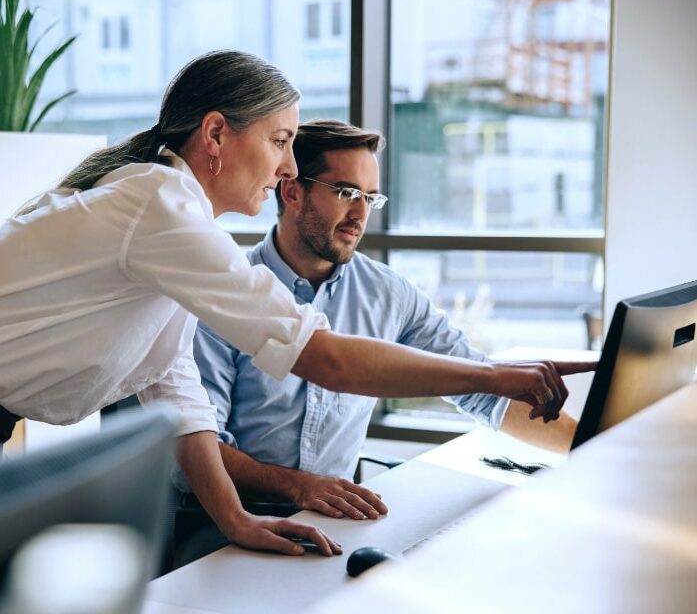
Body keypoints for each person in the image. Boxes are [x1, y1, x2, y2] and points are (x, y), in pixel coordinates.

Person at [0, 50, 593, 558]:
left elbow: (174, 391)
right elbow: (320, 356)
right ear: (217, 134)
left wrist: (235, 521)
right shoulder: (159, 208)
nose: (287, 165)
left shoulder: (174, 228)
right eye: (281, 140)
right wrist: (496, 378)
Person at [172, 121, 580, 553]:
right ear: (292, 191)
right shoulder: (224, 292)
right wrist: (299, 487)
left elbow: (482, 390)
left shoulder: (388, 293)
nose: (361, 215)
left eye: (370, 197)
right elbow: (200, 444)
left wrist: (591, 446)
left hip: (334, 522)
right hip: (226, 523)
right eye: (347, 193)